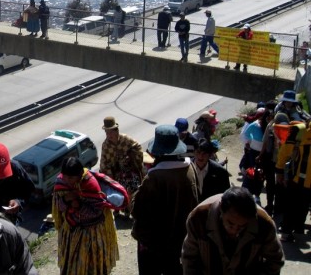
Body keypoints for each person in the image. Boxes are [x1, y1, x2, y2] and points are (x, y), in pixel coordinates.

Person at [131, 124, 198, 275]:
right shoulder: (190, 170)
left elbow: (137, 211)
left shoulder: (154, 177)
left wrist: (134, 195)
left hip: (154, 243)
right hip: (181, 240)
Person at [182, 187, 285, 275]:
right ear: (221, 210)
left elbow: (275, 260)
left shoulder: (264, 225)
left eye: (242, 226)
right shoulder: (198, 219)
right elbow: (189, 258)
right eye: (230, 224)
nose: (235, 230)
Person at [52, 156, 119, 275]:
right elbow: (59, 207)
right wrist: (67, 199)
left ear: (79, 174)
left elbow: (97, 212)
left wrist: (78, 206)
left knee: (91, 267)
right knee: (71, 265)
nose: (67, 180)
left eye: (71, 177)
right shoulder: (61, 182)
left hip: (92, 233)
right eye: (65, 176)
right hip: (71, 231)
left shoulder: (90, 184)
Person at [275, 117, 311, 242]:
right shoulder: (300, 131)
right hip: (298, 180)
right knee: (292, 205)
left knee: (302, 206)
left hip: (303, 181)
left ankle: (298, 227)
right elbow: (284, 152)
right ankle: (286, 230)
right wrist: (279, 171)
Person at [99, 116, 144, 210]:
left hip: (130, 170)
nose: (108, 135)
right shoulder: (106, 145)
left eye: (110, 131)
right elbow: (104, 163)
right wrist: (110, 177)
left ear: (116, 130)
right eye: (106, 132)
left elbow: (138, 148)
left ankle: (131, 207)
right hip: (116, 173)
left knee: (133, 187)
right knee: (118, 190)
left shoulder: (125, 139)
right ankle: (122, 207)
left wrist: (131, 157)